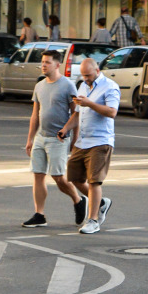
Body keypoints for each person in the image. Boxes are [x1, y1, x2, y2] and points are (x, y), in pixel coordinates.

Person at [22, 51, 85, 228]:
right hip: (41, 138)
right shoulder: (39, 86)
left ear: (57, 65)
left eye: (48, 62)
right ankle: (39, 214)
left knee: (58, 177)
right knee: (38, 175)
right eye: (42, 62)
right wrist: (30, 139)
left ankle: (78, 200)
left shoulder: (67, 86)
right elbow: (35, 114)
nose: (43, 65)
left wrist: (75, 138)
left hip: (59, 138)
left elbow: (76, 113)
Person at [63, 58, 119, 234]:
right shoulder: (83, 87)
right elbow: (77, 114)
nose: (86, 78)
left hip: (101, 141)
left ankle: (93, 220)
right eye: (83, 75)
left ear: (97, 69)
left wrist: (90, 104)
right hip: (83, 141)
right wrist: (65, 129)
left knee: (94, 181)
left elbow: (112, 112)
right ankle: (101, 202)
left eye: (88, 75)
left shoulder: (110, 86)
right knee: (74, 178)